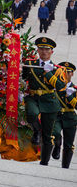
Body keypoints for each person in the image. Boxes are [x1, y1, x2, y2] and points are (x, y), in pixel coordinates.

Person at [23, 37, 63, 165]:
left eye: (47, 49)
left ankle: (44, 162)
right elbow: (22, 78)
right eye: (41, 49)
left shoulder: (58, 69)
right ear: (37, 50)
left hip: (50, 101)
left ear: (52, 52)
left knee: (48, 135)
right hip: (33, 98)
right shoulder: (29, 63)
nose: (44, 52)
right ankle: (36, 131)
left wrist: (48, 73)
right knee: (32, 114)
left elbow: (61, 86)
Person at [50, 61, 76, 168]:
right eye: (62, 72)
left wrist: (70, 96)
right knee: (55, 133)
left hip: (70, 117)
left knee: (69, 144)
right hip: (56, 115)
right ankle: (57, 143)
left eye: (68, 72)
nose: (65, 74)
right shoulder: (53, 86)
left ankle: (65, 167)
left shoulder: (75, 89)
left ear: (72, 74)